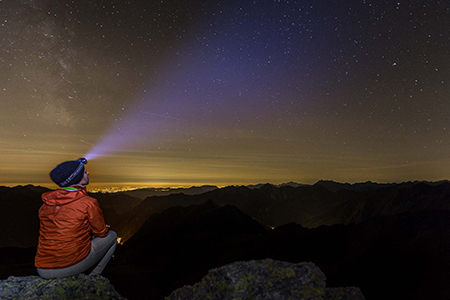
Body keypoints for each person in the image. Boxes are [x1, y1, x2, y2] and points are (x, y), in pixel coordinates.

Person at [35, 157, 117, 278]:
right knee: (113, 236)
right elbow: (102, 233)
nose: (87, 173)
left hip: (41, 268)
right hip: (68, 266)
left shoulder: (46, 204)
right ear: (78, 178)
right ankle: (94, 277)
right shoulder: (88, 203)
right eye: (84, 172)